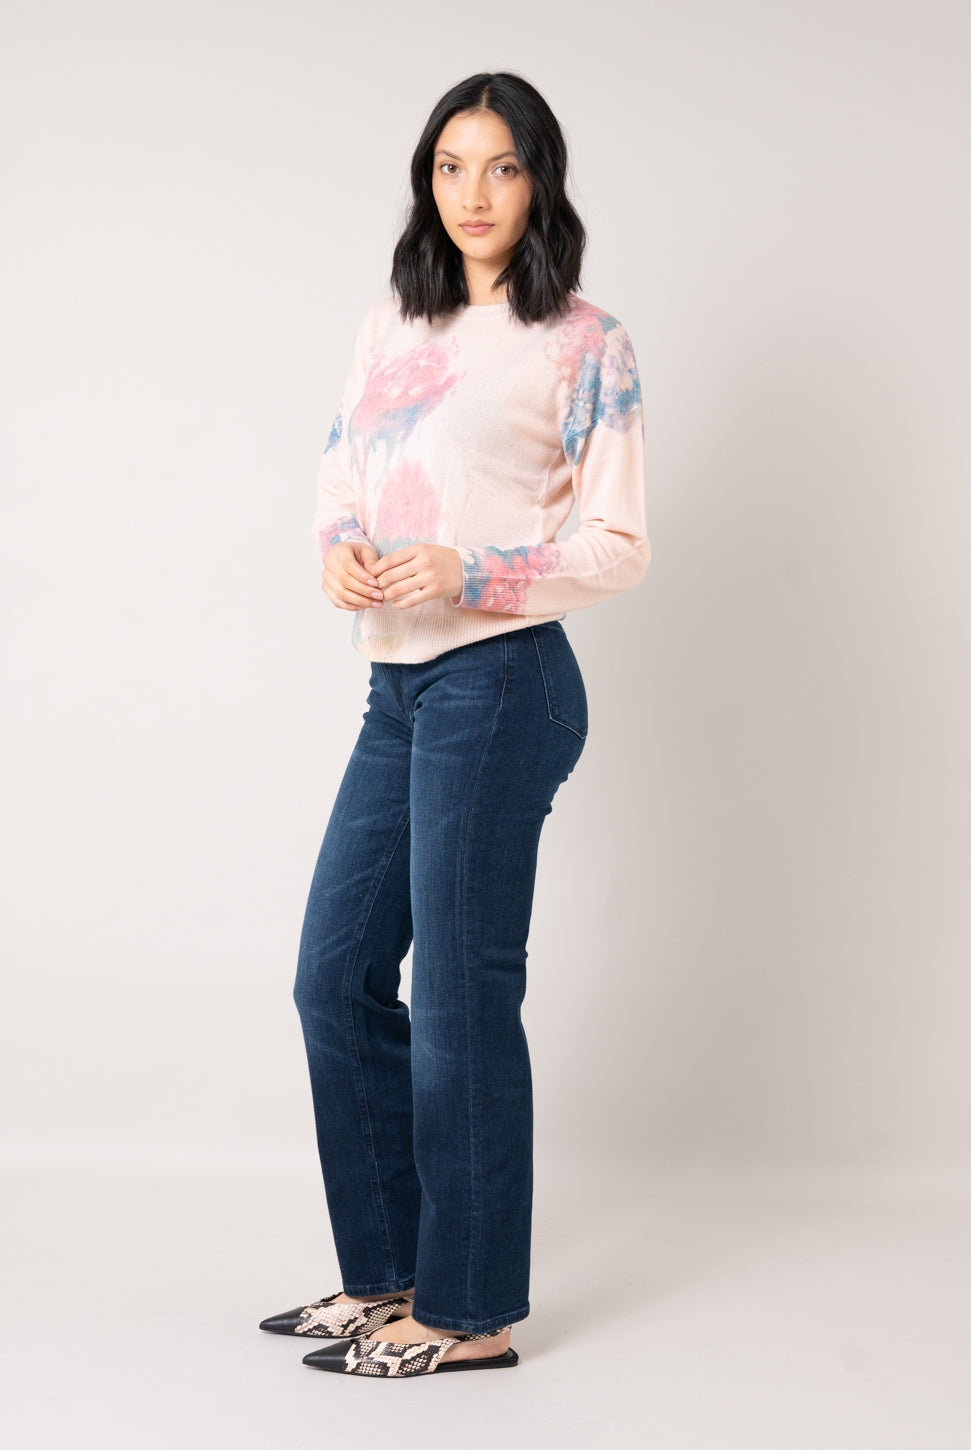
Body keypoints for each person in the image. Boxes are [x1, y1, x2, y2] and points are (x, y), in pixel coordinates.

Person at [259, 70, 651, 1379]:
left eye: (502, 166)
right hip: (399, 686)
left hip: (503, 681)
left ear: (540, 180)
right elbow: (343, 471)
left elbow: (620, 545)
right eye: (449, 166)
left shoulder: (584, 342)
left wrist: (467, 569)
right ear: (426, 181)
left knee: (460, 998)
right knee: (334, 976)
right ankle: (389, 1275)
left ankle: (470, 1309)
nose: (472, 193)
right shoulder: (394, 319)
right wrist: (341, 549)